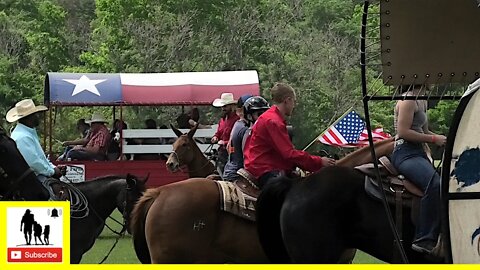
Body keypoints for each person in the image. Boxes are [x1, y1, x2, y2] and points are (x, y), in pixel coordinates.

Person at [243, 83, 335, 188]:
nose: (294, 106)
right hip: (265, 169)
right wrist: (319, 161)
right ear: (287, 100)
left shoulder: (269, 117)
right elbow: (289, 154)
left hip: (259, 165)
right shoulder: (273, 121)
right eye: (293, 101)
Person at [390, 84, 446, 254]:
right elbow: (403, 131)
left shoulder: (422, 100)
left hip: (418, 152)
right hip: (405, 152)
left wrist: (444, 139)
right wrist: (433, 138)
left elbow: (424, 130)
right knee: (434, 183)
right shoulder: (408, 99)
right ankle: (424, 239)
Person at [6, 99, 65, 195]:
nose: (38, 116)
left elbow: (41, 158)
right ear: (29, 118)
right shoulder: (22, 137)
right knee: (54, 199)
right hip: (33, 179)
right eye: (35, 114)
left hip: (38, 175)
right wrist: (52, 171)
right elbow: (34, 163)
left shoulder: (27, 133)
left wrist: (54, 168)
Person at [223, 95, 270, 181]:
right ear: (248, 114)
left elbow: (228, 147)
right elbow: (249, 156)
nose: (262, 117)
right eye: (259, 114)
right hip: (238, 174)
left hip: (230, 170)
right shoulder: (247, 130)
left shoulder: (237, 124)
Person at [211, 93, 240, 177]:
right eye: (222, 106)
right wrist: (215, 137)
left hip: (233, 152)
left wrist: (224, 142)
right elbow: (218, 133)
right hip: (222, 152)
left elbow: (236, 138)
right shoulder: (222, 120)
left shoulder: (237, 120)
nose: (223, 108)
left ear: (231, 106)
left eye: (225, 106)